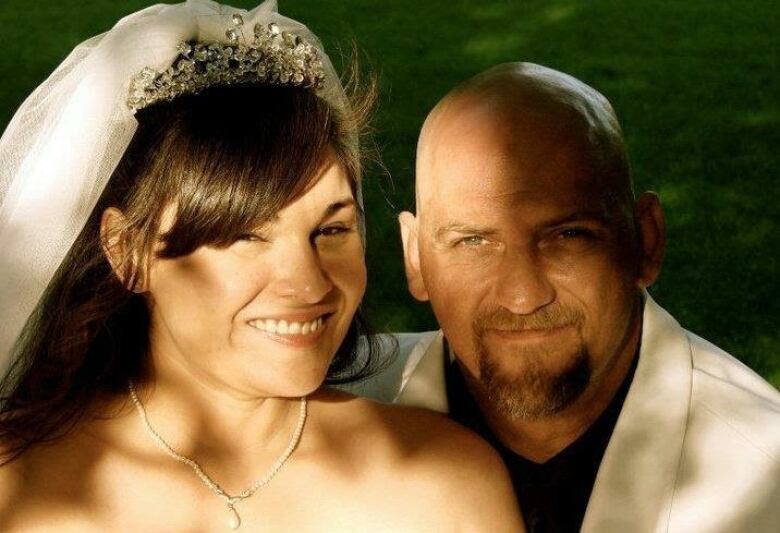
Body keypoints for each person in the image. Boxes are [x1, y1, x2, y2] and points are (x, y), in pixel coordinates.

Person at [0, 2, 524, 531]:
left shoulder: (443, 487)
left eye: (332, 230)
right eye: (245, 235)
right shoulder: (18, 488)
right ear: (126, 251)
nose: (308, 281)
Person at [351, 62, 780, 531]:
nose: (522, 296)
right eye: (473, 242)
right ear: (415, 258)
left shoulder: (764, 479)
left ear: (646, 240)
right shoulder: (327, 421)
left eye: (568, 235)